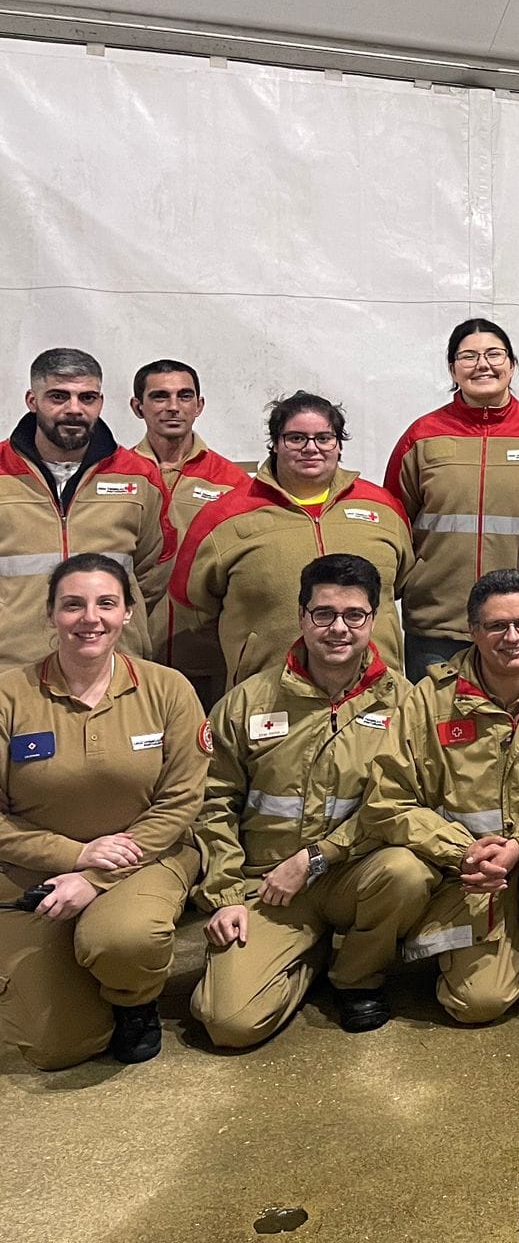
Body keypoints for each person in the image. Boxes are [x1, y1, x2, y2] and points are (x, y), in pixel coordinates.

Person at [190, 555, 432, 1046]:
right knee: (227, 1023)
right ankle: (310, 952)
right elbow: (212, 802)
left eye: (354, 615)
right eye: (323, 614)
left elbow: (402, 802)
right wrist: (226, 895)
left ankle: (356, 976)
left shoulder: (406, 703)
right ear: (302, 617)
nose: (338, 628)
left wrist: (317, 857)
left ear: (375, 619)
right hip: (268, 884)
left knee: (407, 872)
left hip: (353, 874)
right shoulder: (247, 702)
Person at [365, 570, 519, 1022]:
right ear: (473, 631)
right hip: (469, 872)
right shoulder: (427, 702)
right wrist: (461, 851)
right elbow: (387, 801)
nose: (512, 637)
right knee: (476, 1006)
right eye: (497, 626)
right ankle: (487, 935)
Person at [0, 555, 204, 1068]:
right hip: (33, 871)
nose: (90, 618)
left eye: (106, 603)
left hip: (145, 859)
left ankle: (134, 1002)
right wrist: (74, 854)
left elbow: (180, 802)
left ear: (128, 613)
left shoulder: (168, 689)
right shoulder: (8, 696)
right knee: (56, 1049)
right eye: (73, 605)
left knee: (121, 939)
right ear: (50, 615)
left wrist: (93, 876)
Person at [173, 392, 413, 687]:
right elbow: (192, 604)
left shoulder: (382, 507)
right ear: (275, 444)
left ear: (339, 444)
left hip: (375, 693)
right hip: (268, 697)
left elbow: (401, 582)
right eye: (296, 438)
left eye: (324, 438)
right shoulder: (224, 516)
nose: (311, 448)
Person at [383, 319, 519, 678]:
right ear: (452, 369)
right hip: (438, 626)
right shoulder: (421, 437)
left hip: (518, 627)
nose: (483, 364)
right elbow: (393, 525)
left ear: (512, 364)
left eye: (494, 354)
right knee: (436, 728)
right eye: (469, 356)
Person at [2, 349, 173, 672]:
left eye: (87, 398)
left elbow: (154, 569)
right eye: (58, 397)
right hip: (14, 671)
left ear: (101, 402)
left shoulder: (138, 475)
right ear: (31, 400)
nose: (74, 409)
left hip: (116, 666)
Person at [129, 358, 249, 702]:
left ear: (199, 405)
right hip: (129, 655)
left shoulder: (232, 482)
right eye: (159, 397)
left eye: (184, 396)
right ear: (138, 407)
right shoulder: (116, 475)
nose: (173, 407)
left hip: (207, 659)